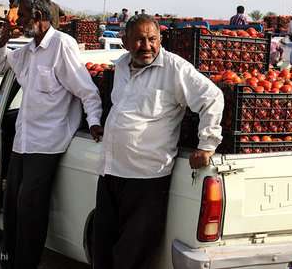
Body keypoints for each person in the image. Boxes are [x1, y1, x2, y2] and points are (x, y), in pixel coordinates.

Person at [91, 14, 224, 269]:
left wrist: (206, 144)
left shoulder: (174, 69)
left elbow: (212, 97)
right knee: (103, 252)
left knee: (132, 257)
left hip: (146, 179)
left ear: (160, 39)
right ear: (125, 42)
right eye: (139, 40)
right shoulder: (120, 66)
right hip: (110, 173)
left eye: (152, 39)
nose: (147, 46)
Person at [0, 0, 103, 269]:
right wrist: (4, 37)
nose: (19, 21)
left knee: (31, 211)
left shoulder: (63, 46)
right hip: (23, 142)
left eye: (23, 16)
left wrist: (95, 122)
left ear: (38, 17)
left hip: (48, 144)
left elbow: (87, 91)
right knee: (13, 209)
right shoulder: (27, 51)